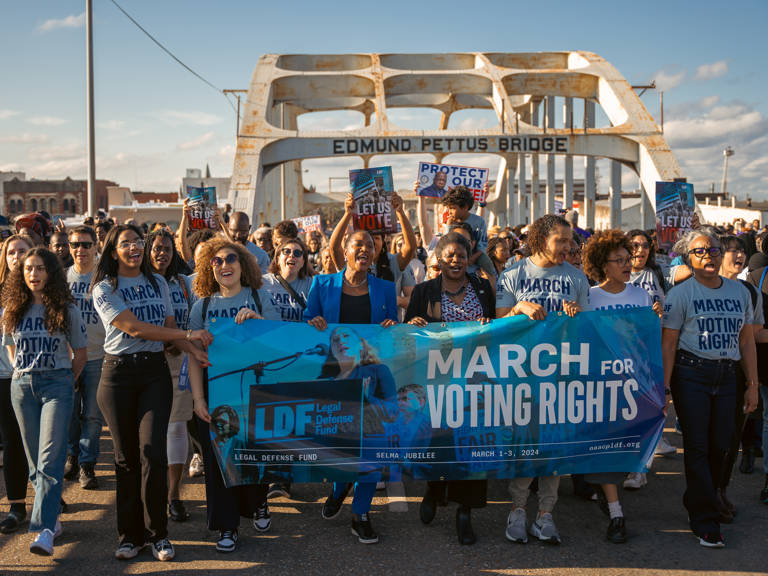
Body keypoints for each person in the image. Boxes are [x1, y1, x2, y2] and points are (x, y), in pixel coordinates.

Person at [92, 224, 213, 562]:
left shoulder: (158, 282)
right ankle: (130, 536)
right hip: (117, 376)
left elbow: (170, 331)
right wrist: (189, 333)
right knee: (126, 458)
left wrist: (192, 349)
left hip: (154, 374)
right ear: (113, 250)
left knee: (153, 453)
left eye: (137, 242)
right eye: (125, 243)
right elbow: (134, 327)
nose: (134, 248)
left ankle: (158, 533)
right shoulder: (104, 288)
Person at [662, 228, 758, 548]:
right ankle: (705, 519)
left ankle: (705, 499)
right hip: (692, 375)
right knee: (698, 446)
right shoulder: (680, 295)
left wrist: (752, 385)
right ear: (689, 258)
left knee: (722, 446)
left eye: (714, 251)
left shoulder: (740, 292)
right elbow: (670, 343)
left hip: (729, 375)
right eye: (701, 252)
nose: (709, 257)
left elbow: (746, 340)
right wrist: (664, 388)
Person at [496, 214, 589, 545]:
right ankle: (518, 508)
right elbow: (495, 325)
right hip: (522, 374)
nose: (567, 247)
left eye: (570, 241)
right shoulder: (513, 274)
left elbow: (588, 332)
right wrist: (519, 307)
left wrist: (577, 317)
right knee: (524, 443)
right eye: (560, 240)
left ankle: (545, 514)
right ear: (540, 240)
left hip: (560, 375)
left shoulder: (577, 278)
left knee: (553, 444)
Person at [305, 229, 397, 544]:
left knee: (370, 450)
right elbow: (306, 326)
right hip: (335, 379)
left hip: (370, 378)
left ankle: (360, 513)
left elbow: (392, 333)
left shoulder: (385, 288)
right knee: (338, 449)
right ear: (345, 249)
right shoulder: (321, 283)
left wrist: (392, 327)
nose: (365, 249)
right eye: (358, 244)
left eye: (370, 245)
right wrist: (312, 322)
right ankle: (339, 486)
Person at [405, 232, 494, 545]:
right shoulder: (423, 290)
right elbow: (408, 334)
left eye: (461, 255)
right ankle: (434, 488)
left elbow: (497, 329)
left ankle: (465, 512)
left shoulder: (483, 288)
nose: (456, 261)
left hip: (474, 381)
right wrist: (413, 324)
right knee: (439, 439)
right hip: (437, 381)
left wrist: (489, 322)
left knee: (472, 442)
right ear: (439, 260)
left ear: (469, 259)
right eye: (449, 256)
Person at [187, 237, 272, 553]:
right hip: (216, 389)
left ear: (244, 264)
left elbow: (280, 345)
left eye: (231, 259)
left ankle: (258, 502)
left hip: (255, 390)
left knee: (255, 455)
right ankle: (227, 525)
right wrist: (198, 399)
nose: (225, 265)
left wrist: (258, 324)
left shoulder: (261, 299)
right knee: (218, 459)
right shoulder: (202, 306)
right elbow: (194, 357)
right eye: (217, 261)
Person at [1, 247, 88, 556]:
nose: (33, 274)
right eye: (28, 269)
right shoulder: (13, 308)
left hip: (57, 384)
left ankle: (44, 530)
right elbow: (11, 350)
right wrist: (22, 375)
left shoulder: (67, 308)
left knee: (51, 460)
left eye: (39, 268)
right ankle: (52, 516)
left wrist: (68, 381)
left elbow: (80, 354)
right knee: (34, 465)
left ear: (50, 272)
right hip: (22, 385)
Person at [582, 230, 655, 544]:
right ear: (603, 264)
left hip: (633, 383)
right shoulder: (590, 297)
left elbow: (647, 340)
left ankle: (606, 494)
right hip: (601, 384)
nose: (627, 264)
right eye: (619, 260)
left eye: (628, 259)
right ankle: (616, 513)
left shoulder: (641, 296)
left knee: (626, 447)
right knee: (606, 448)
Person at [144, 229, 196, 523]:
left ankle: (173, 495)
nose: (162, 253)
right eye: (157, 248)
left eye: (167, 249)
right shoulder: (137, 283)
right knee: (152, 435)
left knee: (176, 430)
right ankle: (150, 494)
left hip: (180, 362)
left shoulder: (183, 283)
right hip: (147, 362)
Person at [261, 237, 314, 498]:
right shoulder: (261, 284)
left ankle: (285, 476)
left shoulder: (312, 285)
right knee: (272, 418)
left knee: (291, 419)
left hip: (300, 362)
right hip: (271, 363)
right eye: (285, 251)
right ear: (277, 256)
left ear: (304, 260)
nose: (291, 255)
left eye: (297, 252)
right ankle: (276, 478)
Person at [717, 235, 763, 518]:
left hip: (735, 372)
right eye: (731, 251)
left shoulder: (749, 291)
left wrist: (752, 384)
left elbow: (752, 339)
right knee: (706, 440)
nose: (738, 256)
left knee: (731, 437)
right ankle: (705, 494)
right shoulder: (693, 287)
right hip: (700, 372)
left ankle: (721, 490)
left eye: (741, 251)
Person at [64, 226, 105, 490]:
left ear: (95, 245)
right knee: (69, 412)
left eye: (86, 244)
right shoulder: (62, 277)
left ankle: (87, 464)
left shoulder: (105, 276)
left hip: (99, 355)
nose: (80, 250)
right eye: (75, 244)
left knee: (92, 414)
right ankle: (72, 455)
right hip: (67, 356)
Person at [0, 235, 35, 534]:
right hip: (3, 377)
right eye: (11, 251)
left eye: (22, 251)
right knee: (12, 441)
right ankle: (16, 505)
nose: (16, 256)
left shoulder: (42, 290)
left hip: (34, 375)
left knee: (37, 442)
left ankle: (48, 498)